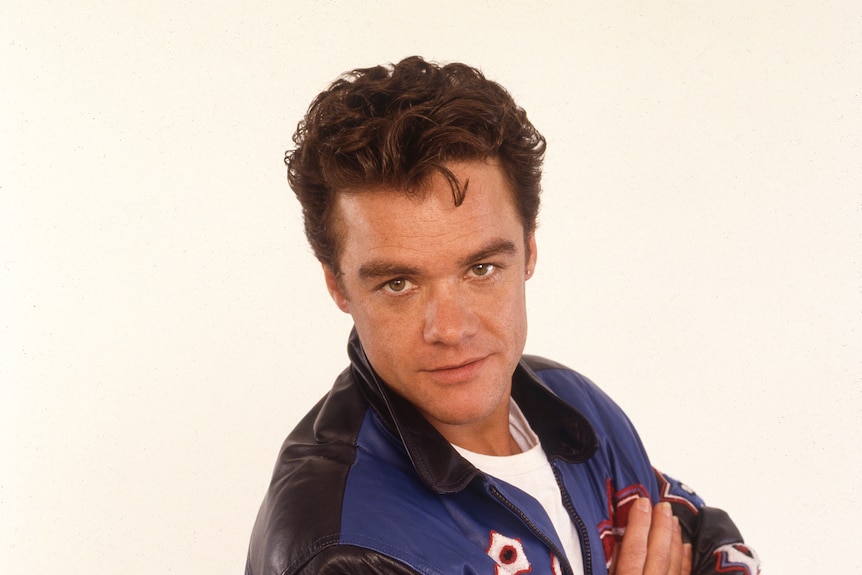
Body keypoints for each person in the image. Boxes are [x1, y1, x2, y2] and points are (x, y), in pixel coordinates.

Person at [246, 56, 759, 575]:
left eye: (481, 268)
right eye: (398, 283)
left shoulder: (574, 406)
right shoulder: (344, 548)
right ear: (338, 284)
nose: (450, 329)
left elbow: (708, 539)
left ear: (529, 250)